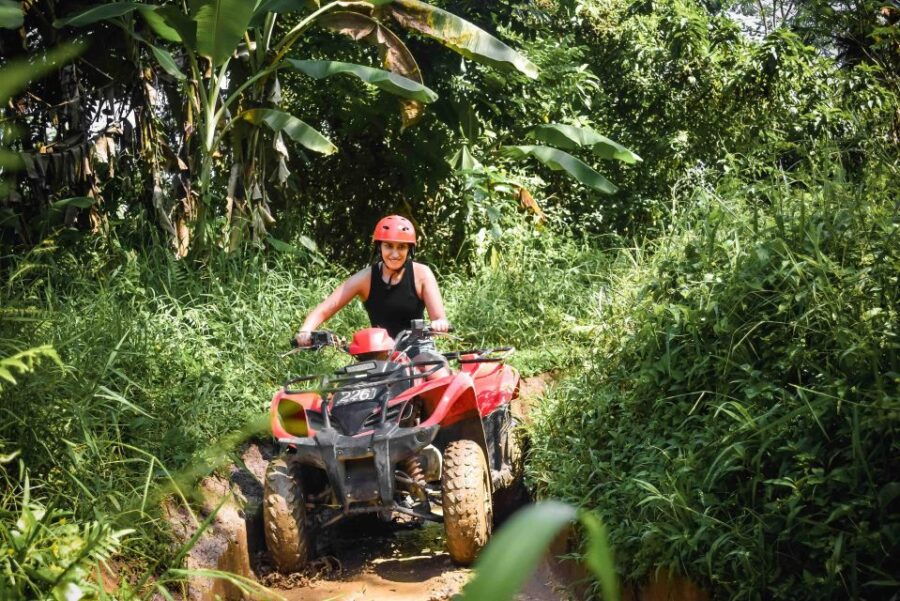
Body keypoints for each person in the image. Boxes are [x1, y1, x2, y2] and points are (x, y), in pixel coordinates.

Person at [294, 215, 450, 371]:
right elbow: (325, 308)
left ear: (409, 249)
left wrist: (439, 323)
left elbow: (438, 317)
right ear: (379, 247)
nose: (395, 254)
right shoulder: (365, 278)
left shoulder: (422, 274)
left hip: (418, 347)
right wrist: (306, 330)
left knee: (438, 373)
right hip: (379, 351)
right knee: (352, 382)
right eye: (389, 246)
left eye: (401, 247)